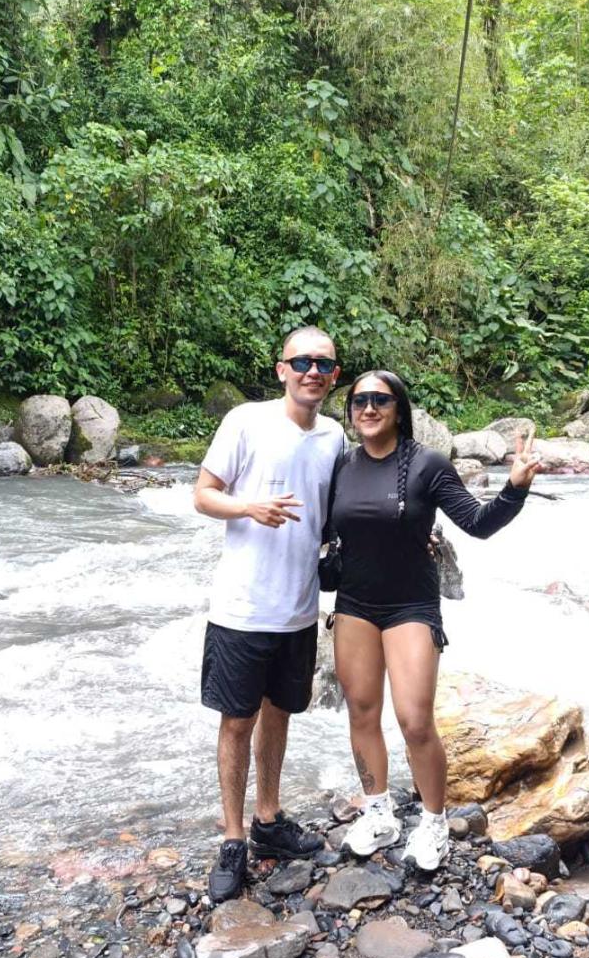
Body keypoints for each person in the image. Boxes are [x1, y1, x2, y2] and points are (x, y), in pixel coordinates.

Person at [330, 370, 539, 871]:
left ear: (399, 410)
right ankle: (378, 812)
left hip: (410, 606)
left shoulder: (427, 464)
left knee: (415, 720)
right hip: (354, 603)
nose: (369, 408)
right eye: (359, 400)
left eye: (380, 400)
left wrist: (514, 488)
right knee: (362, 712)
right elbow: (318, 528)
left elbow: (477, 523)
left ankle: (433, 822)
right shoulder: (341, 466)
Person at [194, 327, 345, 902]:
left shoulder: (333, 436)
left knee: (280, 714)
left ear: (334, 376)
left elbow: (338, 513)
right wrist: (248, 507)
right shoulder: (246, 421)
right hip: (242, 606)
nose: (313, 372)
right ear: (282, 369)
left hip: (299, 609)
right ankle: (233, 839)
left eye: (324, 365)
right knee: (237, 722)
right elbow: (203, 494)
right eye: (302, 362)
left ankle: (269, 819)